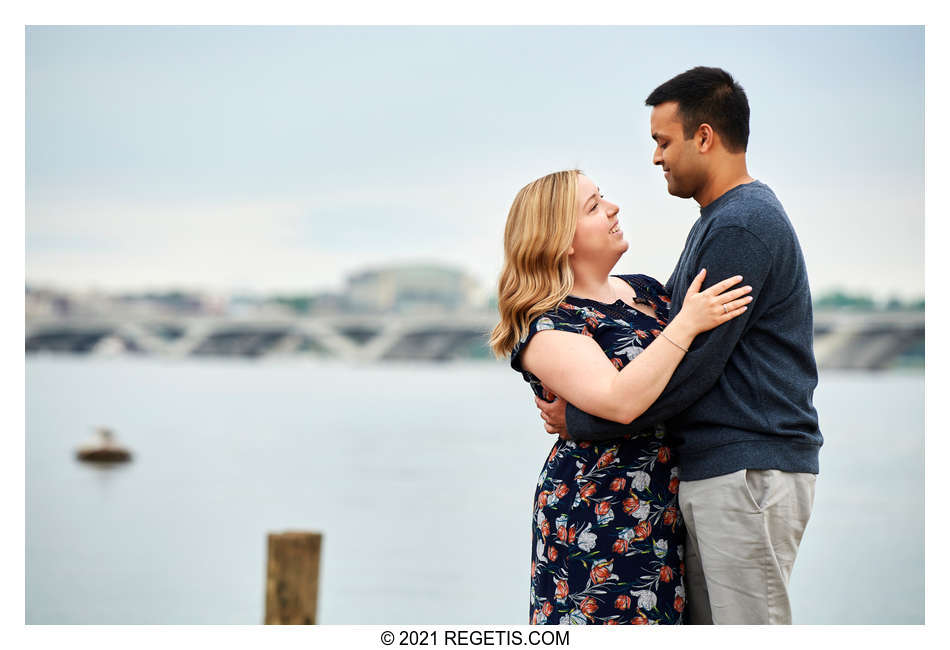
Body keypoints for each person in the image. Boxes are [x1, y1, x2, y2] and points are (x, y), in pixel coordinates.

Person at [535, 67, 822, 625]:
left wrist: (583, 423)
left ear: (705, 137)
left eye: (662, 141)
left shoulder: (741, 226)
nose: (655, 157)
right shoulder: (720, 220)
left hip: (747, 470)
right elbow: (671, 336)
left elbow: (692, 368)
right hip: (725, 471)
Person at [489, 169, 753, 624]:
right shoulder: (549, 326)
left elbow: (687, 376)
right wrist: (686, 323)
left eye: (604, 198)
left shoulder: (647, 290)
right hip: (600, 513)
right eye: (593, 206)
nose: (613, 208)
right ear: (561, 240)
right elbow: (619, 401)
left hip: (666, 503)